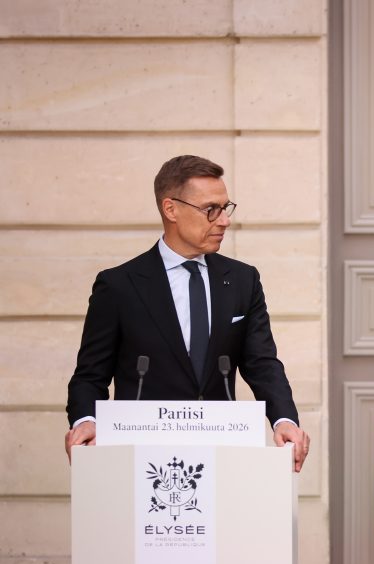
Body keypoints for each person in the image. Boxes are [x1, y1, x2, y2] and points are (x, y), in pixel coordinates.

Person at [65, 155, 311, 471]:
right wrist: (86, 420)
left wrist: (284, 419)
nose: (224, 221)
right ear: (171, 209)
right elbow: (90, 375)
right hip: (140, 460)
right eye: (211, 210)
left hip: (221, 453)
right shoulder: (119, 286)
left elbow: (262, 363)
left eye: (225, 208)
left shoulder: (242, 280)